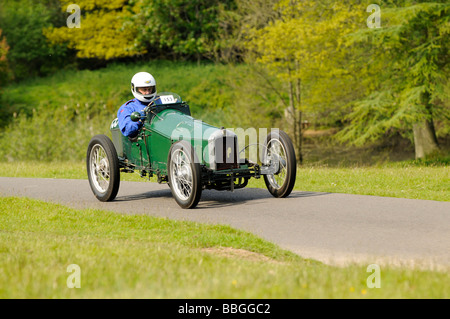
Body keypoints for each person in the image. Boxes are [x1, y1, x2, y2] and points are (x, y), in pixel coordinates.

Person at [117, 72, 157, 137]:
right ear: (135, 89)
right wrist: (140, 120)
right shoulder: (128, 107)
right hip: (144, 140)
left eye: (150, 89)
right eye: (144, 90)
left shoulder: (158, 101)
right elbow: (127, 130)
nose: (148, 92)